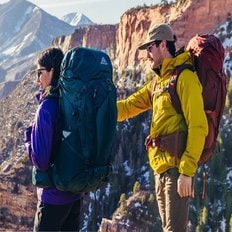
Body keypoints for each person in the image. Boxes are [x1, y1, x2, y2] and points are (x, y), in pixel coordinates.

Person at [117, 24, 208, 231]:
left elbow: (198, 126)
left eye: (150, 48)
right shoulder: (158, 83)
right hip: (161, 171)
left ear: (163, 45)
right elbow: (128, 107)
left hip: (177, 170)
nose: (148, 54)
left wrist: (186, 172)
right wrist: (98, 109)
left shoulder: (185, 78)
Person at [24, 47, 83, 231]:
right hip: (74, 195)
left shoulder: (47, 108)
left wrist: (28, 140)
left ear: (52, 71)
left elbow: (41, 162)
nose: (37, 79)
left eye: (39, 72)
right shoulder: (73, 102)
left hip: (52, 197)